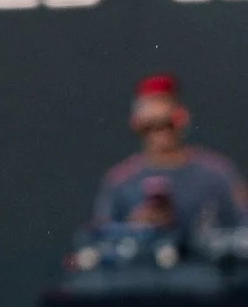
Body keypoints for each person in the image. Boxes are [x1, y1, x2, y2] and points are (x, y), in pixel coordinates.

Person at [88, 73, 248, 251]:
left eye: (166, 124)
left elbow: (243, 227)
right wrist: (134, 230)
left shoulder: (217, 174)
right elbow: (100, 241)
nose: (159, 134)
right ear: (137, 125)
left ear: (182, 119)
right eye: (150, 126)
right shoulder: (120, 181)